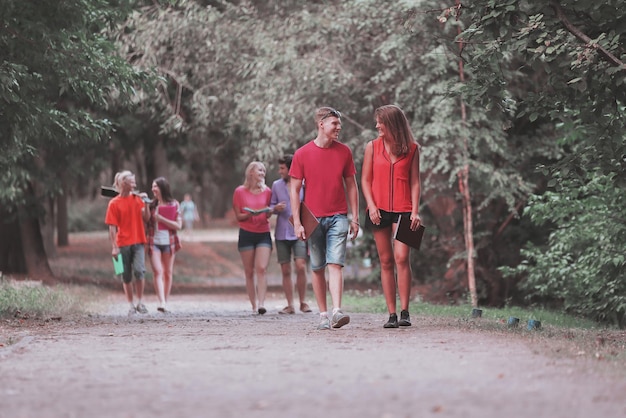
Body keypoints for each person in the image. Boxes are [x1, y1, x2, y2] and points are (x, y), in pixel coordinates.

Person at [289, 107, 360, 330]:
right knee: (317, 267)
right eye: (335, 124)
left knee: (335, 263)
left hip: (338, 216)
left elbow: (351, 185)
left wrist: (354, 217)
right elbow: (294, 190)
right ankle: (322, 315)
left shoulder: (344, 152)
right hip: (313, 219)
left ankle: (337, 311)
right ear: (321, 124)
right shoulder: (302, 154)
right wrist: (298, 223)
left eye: (339, 124)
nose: (339, 128)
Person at [361, 104, 421, 328]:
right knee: (386, 260)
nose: (377, 125)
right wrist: (371, 206)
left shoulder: (413, 149)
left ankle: (405, 311)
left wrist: (415, 210)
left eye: (380, 122)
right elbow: (365, 180)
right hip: (379, 209)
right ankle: (392, 314)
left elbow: (415, 181)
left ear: (392, 124)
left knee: (402, 258)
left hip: (406, 208)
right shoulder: (372, 147)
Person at [104, 170, 151, 316]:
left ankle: (140, 302)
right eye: (132, 182)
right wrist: (114, 247)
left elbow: (147, 218)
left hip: (139, 241)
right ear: (124, 184)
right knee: (126, 275)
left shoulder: (137, 199)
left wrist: (146, 203)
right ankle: (131, 305)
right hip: (122, 243)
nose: (135, 184)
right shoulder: (114, 203)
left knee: (140, 271)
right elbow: (112, 228)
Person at [270, 154, 312, 315]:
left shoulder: (303, 184)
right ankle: (290, 305)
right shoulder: (276, 185)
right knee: (285, 269)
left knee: (301, 266)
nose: (279, 171)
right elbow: (271, 205)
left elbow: (309, 204)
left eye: (282, 168)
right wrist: (275, 208)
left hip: (299, 231)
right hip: (281, 233)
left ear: (290, 168)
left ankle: (303, 302)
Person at [232, 161, 273, 315]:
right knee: (249, 271)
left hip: (263, 232)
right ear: (251, 173)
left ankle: (262, 304)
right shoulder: (239, 192)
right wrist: (250, 214)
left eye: (264, 170)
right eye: (259, 170)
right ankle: (254, 305)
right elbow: (238, 216)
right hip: (246, 233)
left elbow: (269, 212)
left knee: (261, 269)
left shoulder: (268, 191)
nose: (262, 173)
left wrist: (269, 211)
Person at [146, 177, 182, 313]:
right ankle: (161, 301)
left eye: (155, 186)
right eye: (152, 186)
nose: (153, 189)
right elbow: (145, 220)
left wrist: (162, 219)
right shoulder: (151, 205)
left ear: (162, 188)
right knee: (157, 271)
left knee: (167, 272)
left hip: (169, 242)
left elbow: (178, 225)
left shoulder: (174, 204)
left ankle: (165, 302)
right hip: (153, 242)